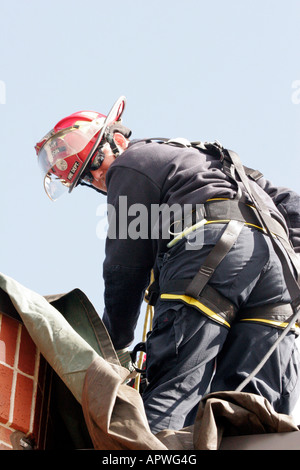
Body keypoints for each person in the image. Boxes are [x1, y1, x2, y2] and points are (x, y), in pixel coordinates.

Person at [35, 96, 300, 434]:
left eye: (97, 161)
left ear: (117, 140)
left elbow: (124, 265)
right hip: (278, 272)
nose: (101, 176)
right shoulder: (211, 160)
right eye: (88, 177)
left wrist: (112, 342)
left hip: (210, 256)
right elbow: (292, 205)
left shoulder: (130, 164)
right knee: (253, 408)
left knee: (175, 390)